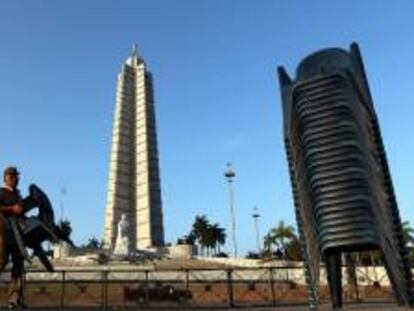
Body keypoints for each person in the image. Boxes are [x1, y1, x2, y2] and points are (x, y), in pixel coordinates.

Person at [0, 166, 25, 309]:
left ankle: (14, 300)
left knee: (18, 266)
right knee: (2, 262)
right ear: (6, 178)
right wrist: (11, 209)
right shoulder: (1, 192)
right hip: (3, 232)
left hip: (17, 234)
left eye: (16, 176)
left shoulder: (18, 195)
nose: (15, 179)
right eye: (12, 176)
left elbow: (20, 212)